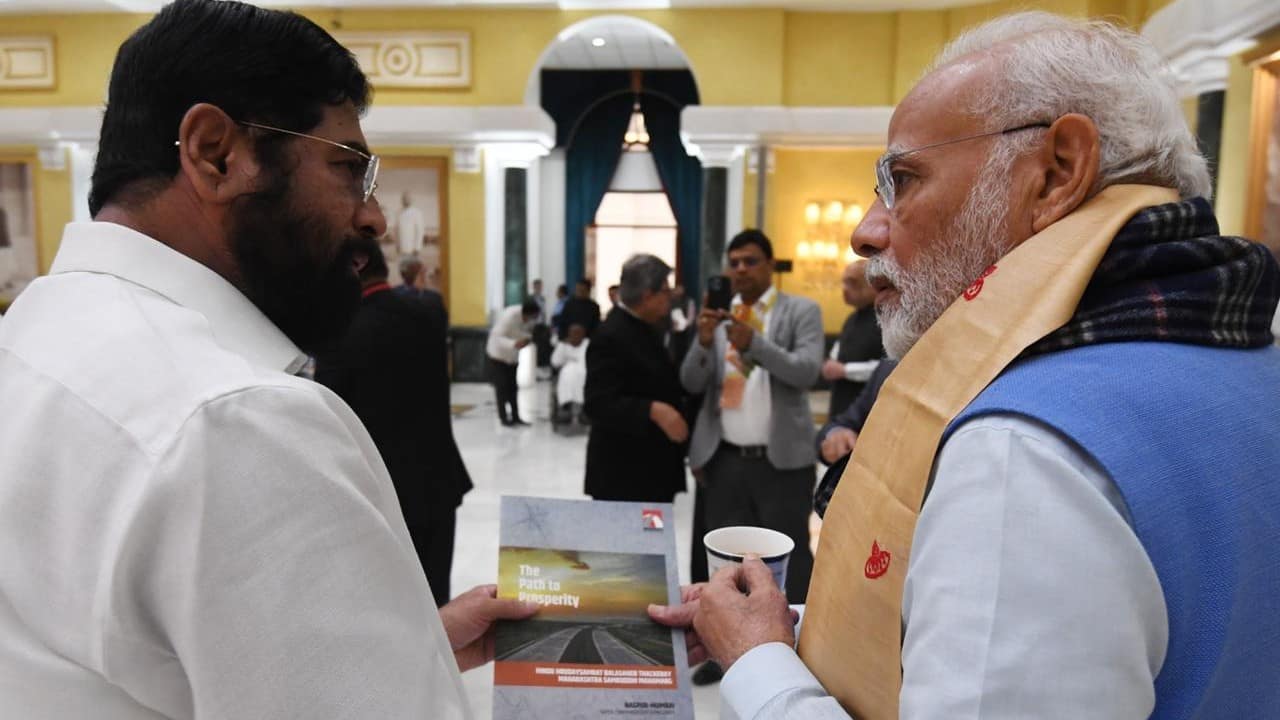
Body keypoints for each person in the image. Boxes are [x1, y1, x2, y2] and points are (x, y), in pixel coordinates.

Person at [650, 12, 1280, 720]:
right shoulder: (1243, 353)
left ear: (1057, 173)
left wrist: (758, 664)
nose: (865, 231)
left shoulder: (1022, 453)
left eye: (904, 179)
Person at [0, 1, 536, 717]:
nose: (374, 218)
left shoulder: (35, 332)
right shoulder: (234, 421)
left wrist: (409, 648)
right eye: (348, 168)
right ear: (217, 153)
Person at [315, 238, 472, 608]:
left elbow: (328, 416)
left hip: (379, 492)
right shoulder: (429, 313)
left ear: (353, 267)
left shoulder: (341, 333)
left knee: (390, 609)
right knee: (436, 603)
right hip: (437, 481)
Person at [680, 228, 824, 607]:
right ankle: (718, 641)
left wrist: (755, 344)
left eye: (751, 261)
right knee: (723, 561)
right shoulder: (719, 317)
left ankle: (792, 638)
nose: (741, 270)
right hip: (725, 459)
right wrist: (705, 341)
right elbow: (692, 382)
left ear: (770, 265)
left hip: (782, 462)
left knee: (785, 557)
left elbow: (807, 372)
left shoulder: (800, 311)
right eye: (734, 263)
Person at [583, 254, 689, 504]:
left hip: (651, 470)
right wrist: (654, 410)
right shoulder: (610, 335)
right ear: (646, 295)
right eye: (665, 290)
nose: (670, 297)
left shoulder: (647, 326)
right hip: (623, 474)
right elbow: (598, 403)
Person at [820, 259, 883, 419]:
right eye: (844, 283)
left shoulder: (884, 321)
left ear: (873, 284)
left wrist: (845, 371)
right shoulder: (851, 319)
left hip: (867, 410)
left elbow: (888, 368)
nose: (845, 290)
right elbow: (839, 349)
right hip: (841, 403)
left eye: (852, 283)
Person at [486, 298, 539, 426]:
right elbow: (497, 337)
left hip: (512, 356)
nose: (532, 320)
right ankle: (503, 418)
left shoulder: (528, 319)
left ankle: (516, 417)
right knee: (502, 387)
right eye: (532, 317)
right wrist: (515, 343)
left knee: (513, 387)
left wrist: (527, 339)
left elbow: (523, 333)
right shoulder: (509, 316)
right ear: (526, 313)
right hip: (498, 355)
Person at [551, 322, 589, 414]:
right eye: (574, 333)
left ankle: (584, 408)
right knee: (568, 375)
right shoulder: (563, 345)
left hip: (584, 372)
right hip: (566, 372)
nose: (576, 335)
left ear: (583, 334)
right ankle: (566, 405)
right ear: (569, 333)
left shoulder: (588, 344)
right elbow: (555, 362)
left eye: (578, 333)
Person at [396, 190, 426, 256]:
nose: (406, 200)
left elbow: (420, 231)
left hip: (413, 250)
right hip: (401, 249)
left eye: (407, 198)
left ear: (411, 200)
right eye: (404, 198)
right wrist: (397, 245)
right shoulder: (399, 213)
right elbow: (397, 231)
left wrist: (417, 248)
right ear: (402, 200)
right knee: (402, 266)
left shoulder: (417, 213)